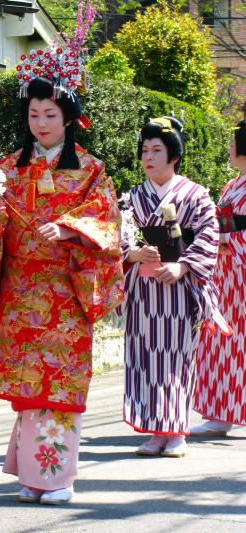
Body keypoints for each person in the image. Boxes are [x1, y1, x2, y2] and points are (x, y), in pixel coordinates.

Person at [0, 46, 123, 504]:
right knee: (29, 385)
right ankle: (32, 476)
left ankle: (57, 478)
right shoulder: (12, 165)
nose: (40, 122)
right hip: (20, 290)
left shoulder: (91, 169)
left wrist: (72, 228)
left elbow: (107, 218)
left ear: (68, 116)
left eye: (50, 113)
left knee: (59, 382)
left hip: (65, 293)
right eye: (34, 113)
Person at [118, 116, 221, 458]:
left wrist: (183, 265)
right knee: (144, 357)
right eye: (145, 150)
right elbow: (114, 238)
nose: (148, 157)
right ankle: (154, 430)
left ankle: (176, 430)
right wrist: (131, 253)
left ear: (174, 156)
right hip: (144, 290)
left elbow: (209, 233)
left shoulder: (195, 195)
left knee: (175, 358)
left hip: (178, 290)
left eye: (157, 150)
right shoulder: (132, 198)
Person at [192, 120, 246, 436]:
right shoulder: (231, 184)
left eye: (232, 143)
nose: (228, 148)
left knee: (238, 344)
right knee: (219, 343)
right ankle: (220, 411)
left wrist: (228, 239)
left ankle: (227, 411)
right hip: (225, 274)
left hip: (241, 273)